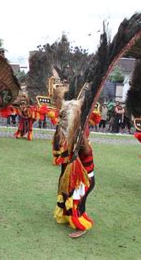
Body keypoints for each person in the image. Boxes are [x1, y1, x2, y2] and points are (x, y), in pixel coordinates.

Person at [53, 99, 97, 238]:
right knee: (68, 198)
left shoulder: (80, 140)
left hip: (84, 180)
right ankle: (70, 217)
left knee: (76, 204)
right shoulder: (68, 137)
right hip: (74, 177)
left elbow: (81, 159)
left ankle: (81, 226)